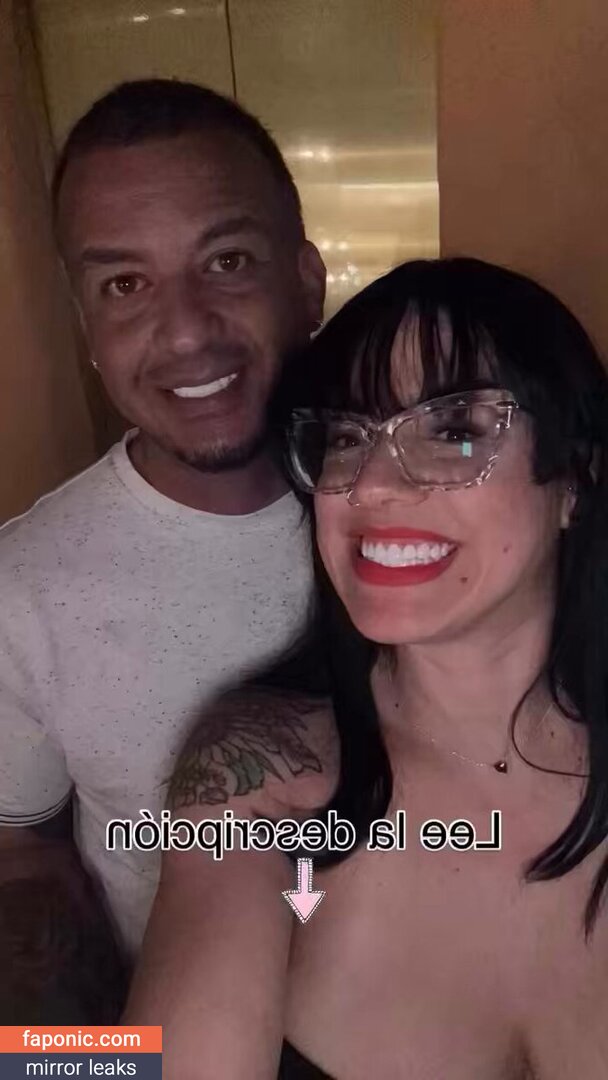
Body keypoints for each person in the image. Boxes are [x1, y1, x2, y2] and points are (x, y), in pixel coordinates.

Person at [126, 257, 608, 1079]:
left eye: (454, 430)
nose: (371, 485)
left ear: (574, 478)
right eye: (345, 439)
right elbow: (148, 1065)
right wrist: (26, 1057)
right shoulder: (261, 766)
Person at [0, 78, 325, 1015]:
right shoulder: (23, 585)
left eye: (227, 260)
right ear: (87, 327)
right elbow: (22, 854)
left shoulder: (440, 519)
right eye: (125, 285)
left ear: (306, 282)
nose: (184, 332)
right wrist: (89, 1063)